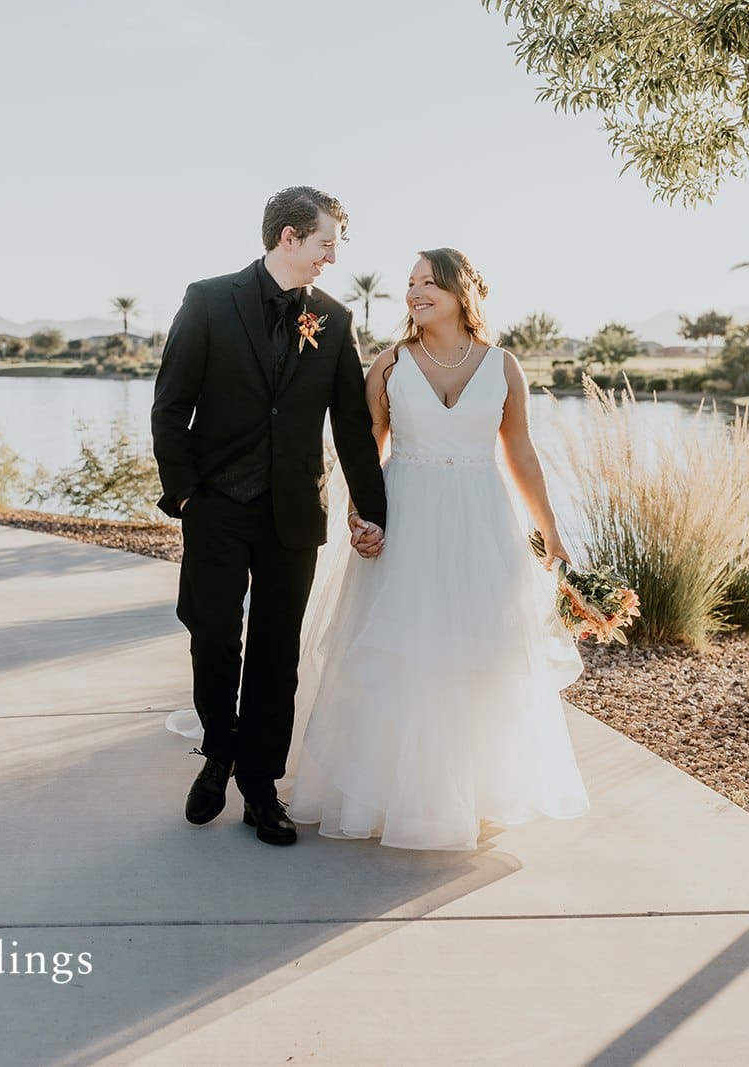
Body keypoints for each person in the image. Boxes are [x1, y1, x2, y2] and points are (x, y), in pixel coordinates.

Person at [283, 247, 590, 850]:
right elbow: (364, 448)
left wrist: (549, 528)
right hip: (405, 519)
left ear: (461, 292)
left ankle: (467, 793)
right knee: (399, 651)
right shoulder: (390, 364)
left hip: (481, 523)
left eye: (430, 283)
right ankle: (388, 794)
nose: (416, 292)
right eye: (411, 283)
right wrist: (359, 517)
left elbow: (521, 453)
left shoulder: (503, 366)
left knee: (476, 653)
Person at [152, 186, 388, 847]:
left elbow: (351, 425)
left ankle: (260, 788)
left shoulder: (336, 321)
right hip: (216, 508)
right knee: (215, 638)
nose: (331, 257)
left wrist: (372, 510)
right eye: (325, 242)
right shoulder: (207, 300)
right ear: (289, 237)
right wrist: (187, 495)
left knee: (277, 655)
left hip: (293, 514)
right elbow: (170, 406)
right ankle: (218, 753)